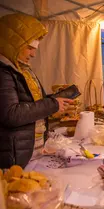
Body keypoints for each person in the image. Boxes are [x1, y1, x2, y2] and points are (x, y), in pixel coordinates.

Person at [0, 13, 72, 168]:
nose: (33, 54)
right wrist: (52, 104)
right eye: (29, 48)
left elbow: (32, 104)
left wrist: (55, 105)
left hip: (29, 153)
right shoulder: (3, 72)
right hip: (14, 159)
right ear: (14, 43)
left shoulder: (22, 70)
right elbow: (11, 114)